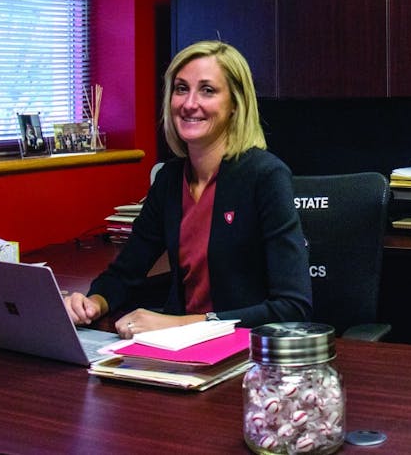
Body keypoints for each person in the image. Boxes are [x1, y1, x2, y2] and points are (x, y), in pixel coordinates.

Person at [63, 40, 312, 339]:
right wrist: (92, 303)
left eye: (207, 90)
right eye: (181, 89)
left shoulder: (265, 176)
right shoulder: (170, 179)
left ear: (235, 104)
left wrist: (182, 324)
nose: (189, 103)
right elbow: (125, 273)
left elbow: (292, 308)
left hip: (247, 356)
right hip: (180, 349)